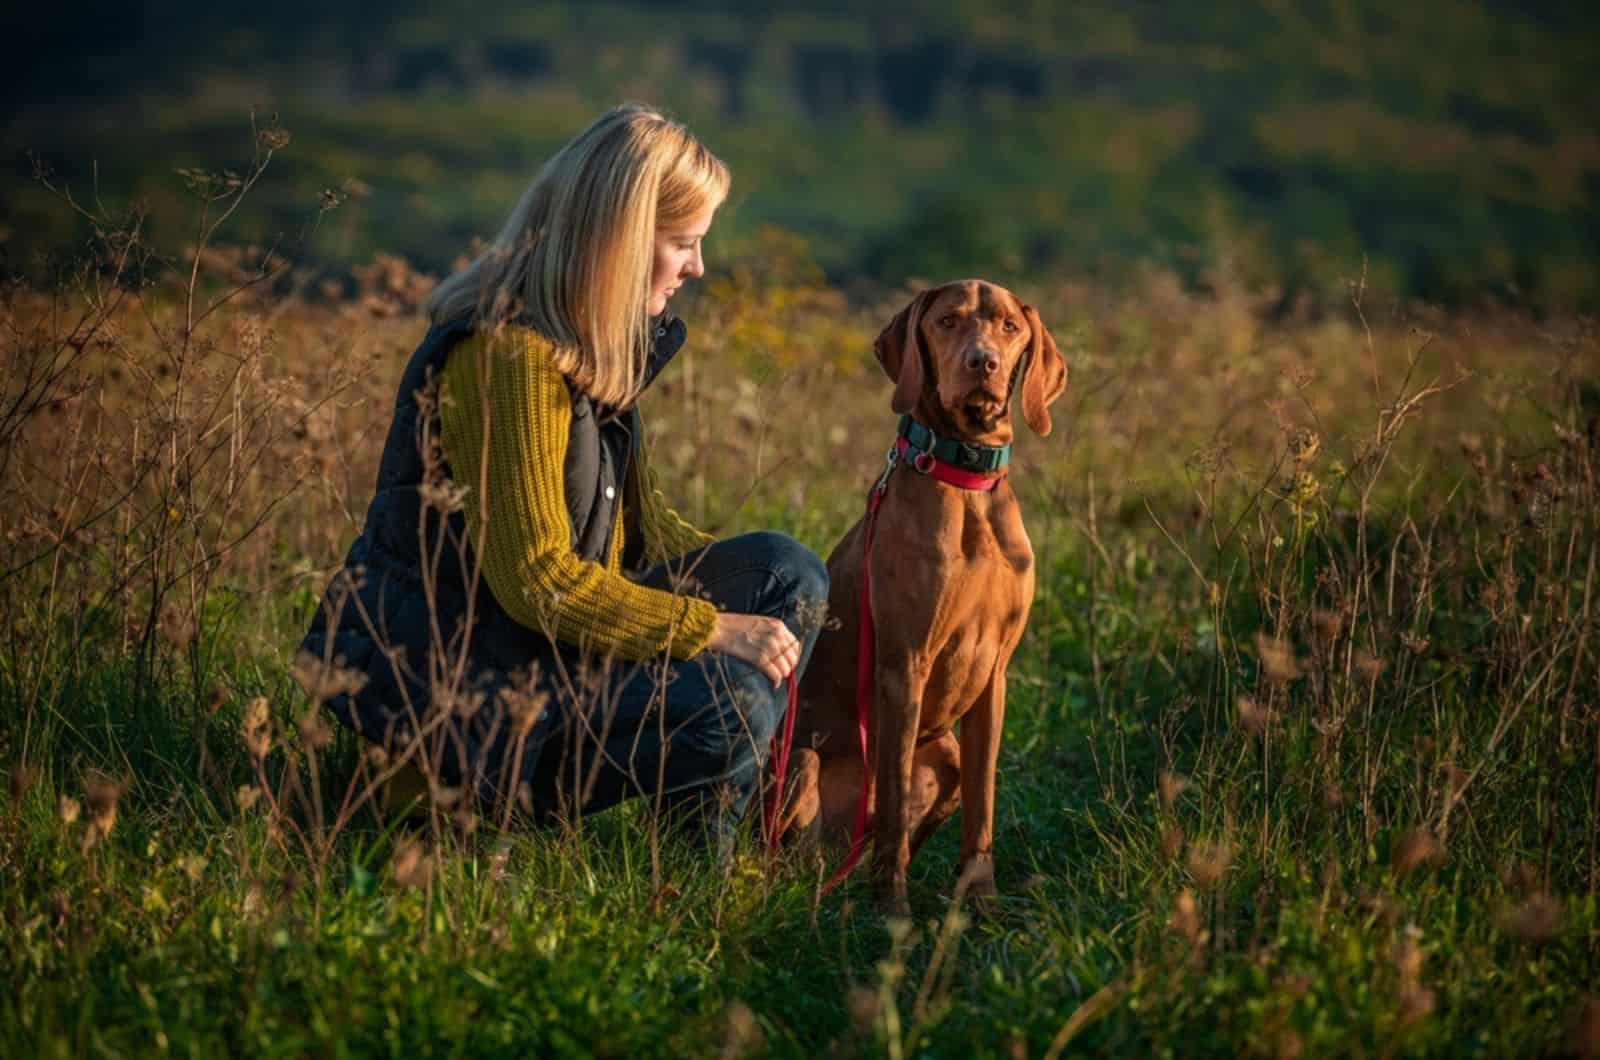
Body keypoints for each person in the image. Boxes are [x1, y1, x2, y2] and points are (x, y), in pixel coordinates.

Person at [298, 103, 829, 853]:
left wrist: (804, 622)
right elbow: (540, 581)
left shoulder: (581, 350)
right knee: (732, 698)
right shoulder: (506, 357)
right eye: (683, 244)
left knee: (786, 572)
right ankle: (687, 891)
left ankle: (703, 845)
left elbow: (639, 542)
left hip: (543, 664)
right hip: (476, 714)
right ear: (621, 239)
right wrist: (713, 630)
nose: (697, 269)